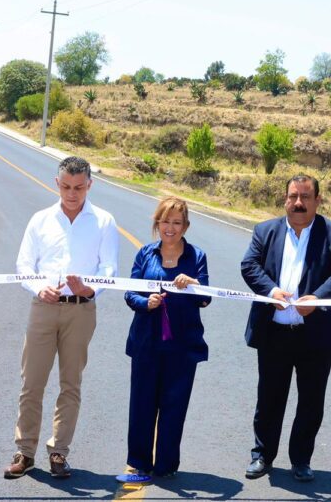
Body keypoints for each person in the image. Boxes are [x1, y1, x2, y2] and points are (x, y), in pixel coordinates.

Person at [4, 156, 119, 480]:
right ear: (57, 184)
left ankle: (59, 452)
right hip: (43, 308)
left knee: (71, 383)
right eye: (67, 187)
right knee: (32, 383)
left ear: (89, 185)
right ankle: (24, 452)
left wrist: (89, 289)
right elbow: (24, 265)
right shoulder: (40, 220)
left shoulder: (104, 221)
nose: (72, 194)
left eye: (79, 188)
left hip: (81, 310)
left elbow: (109, 269)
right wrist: (40, 288)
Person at [241, 174, 331, 483]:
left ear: (318, 200)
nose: (298, 203)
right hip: (274, 331)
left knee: (311, 401)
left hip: (315, 336)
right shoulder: (265, 231)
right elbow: (249, 266)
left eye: (305, 197)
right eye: (293, 196)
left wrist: (318, 298)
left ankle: (301, 460)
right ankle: (261, 455)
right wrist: (271, 290)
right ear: (285, 199)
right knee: (269, 398)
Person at [122, 196, 211, 478]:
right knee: (142, 404)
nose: (170, 228)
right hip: (146, 343)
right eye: (165, 221)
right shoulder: (145, 254)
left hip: (183, 346)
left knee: (174, 406)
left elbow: (206, 298)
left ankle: (166, 467)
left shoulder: (197, 257)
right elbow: (129, 292)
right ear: (157, 223)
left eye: (176, 222)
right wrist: (144, 303)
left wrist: (194, 286)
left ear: (186, 226)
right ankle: (139, 463)